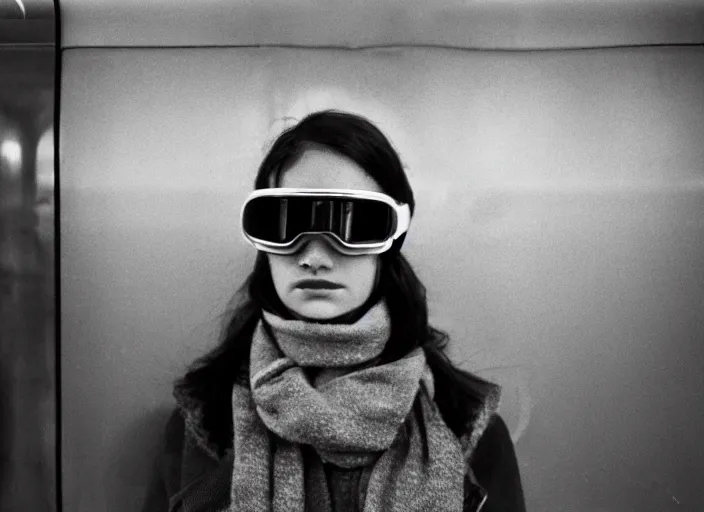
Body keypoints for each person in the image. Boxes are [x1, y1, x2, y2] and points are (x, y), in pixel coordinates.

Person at [141, 110, 526, 512]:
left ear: (391, 237)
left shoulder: (467, 429)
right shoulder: (203, 425)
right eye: (284, 223)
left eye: (354, 225)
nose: (314, 257)